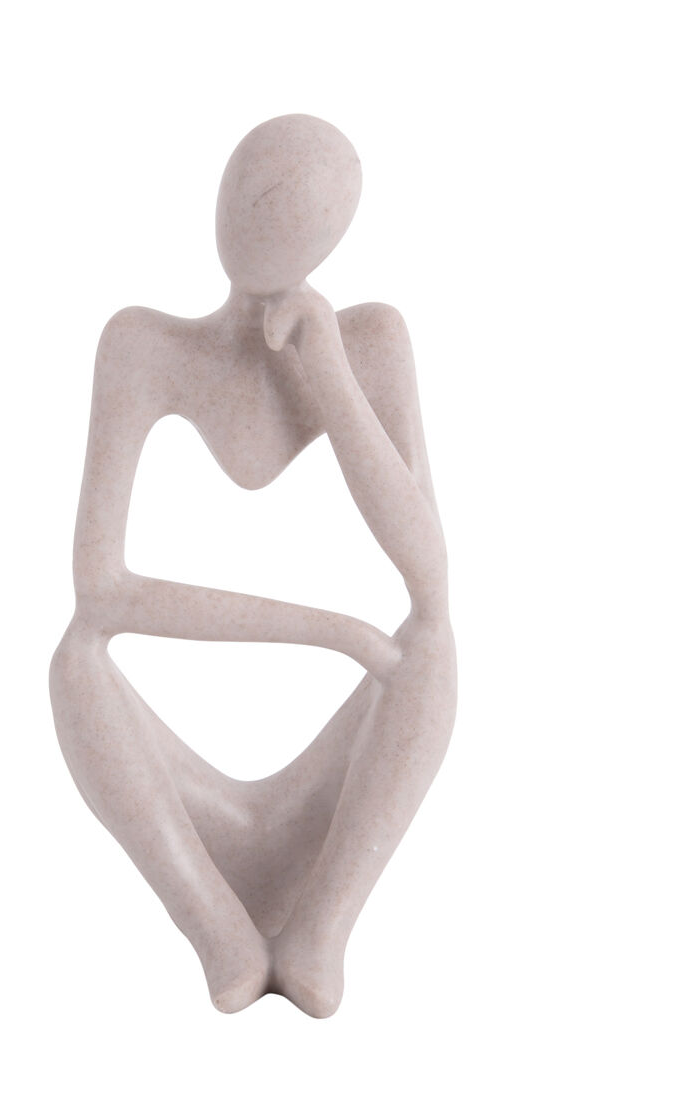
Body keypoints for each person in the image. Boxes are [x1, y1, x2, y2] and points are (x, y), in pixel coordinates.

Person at [50, 115, 456, 1016]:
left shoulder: (373, 341)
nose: (253, 220)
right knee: (74, 661)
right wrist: (333, 631)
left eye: (284, 211)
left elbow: (429, 578)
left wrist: (332, 375)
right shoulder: (141, 347)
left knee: (434, 646)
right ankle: (217, 929)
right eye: (246, 192)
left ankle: (322, 927)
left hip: (327, 808)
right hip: (184, 806)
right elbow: (99, 591)